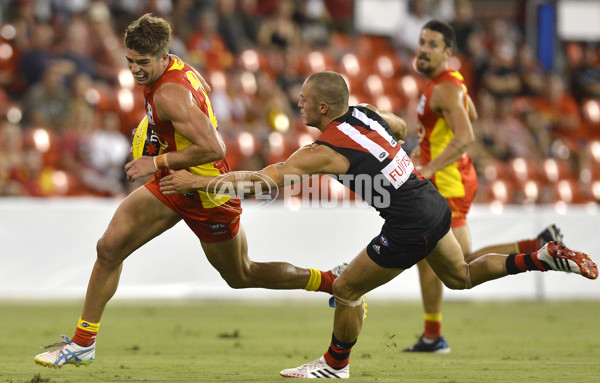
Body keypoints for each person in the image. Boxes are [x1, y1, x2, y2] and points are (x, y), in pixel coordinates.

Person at [159, 70, 597, 379]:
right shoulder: (366, 113)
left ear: (324, 106)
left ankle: (335, 365)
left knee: (347, 289)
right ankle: (539, 258)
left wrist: (200, 181)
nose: (299, 104)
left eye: (305, 100)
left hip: (408, 223)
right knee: (460, 276)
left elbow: (263, 180)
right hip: (430, 201)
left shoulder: (323, 151)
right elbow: (402, 125)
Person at [33, 14, 344, 369]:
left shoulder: (169, 93)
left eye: (142, 63)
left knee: (241, 274)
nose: (134, 70)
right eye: (130, 61)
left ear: (164, 58)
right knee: (109, 248)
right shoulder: (174, 70)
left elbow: (215, 148)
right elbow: (200, 101)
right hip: (173, 182)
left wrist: (157, 161)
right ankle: (82, 342)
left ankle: (332, 281)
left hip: (207, 189)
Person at [405, 20, 562, 353]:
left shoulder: (443, 87)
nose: (424, 49)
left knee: (456, 266)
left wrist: (430, 164)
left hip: (447, 183)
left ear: (448, 52)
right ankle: (432, 335)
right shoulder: (450, 83)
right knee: (439, 259)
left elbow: (466, 134)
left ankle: (539, 248)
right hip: (454, 178)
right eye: (422, 42)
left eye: (433, 44)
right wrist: (429, 145)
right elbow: (471, 114)